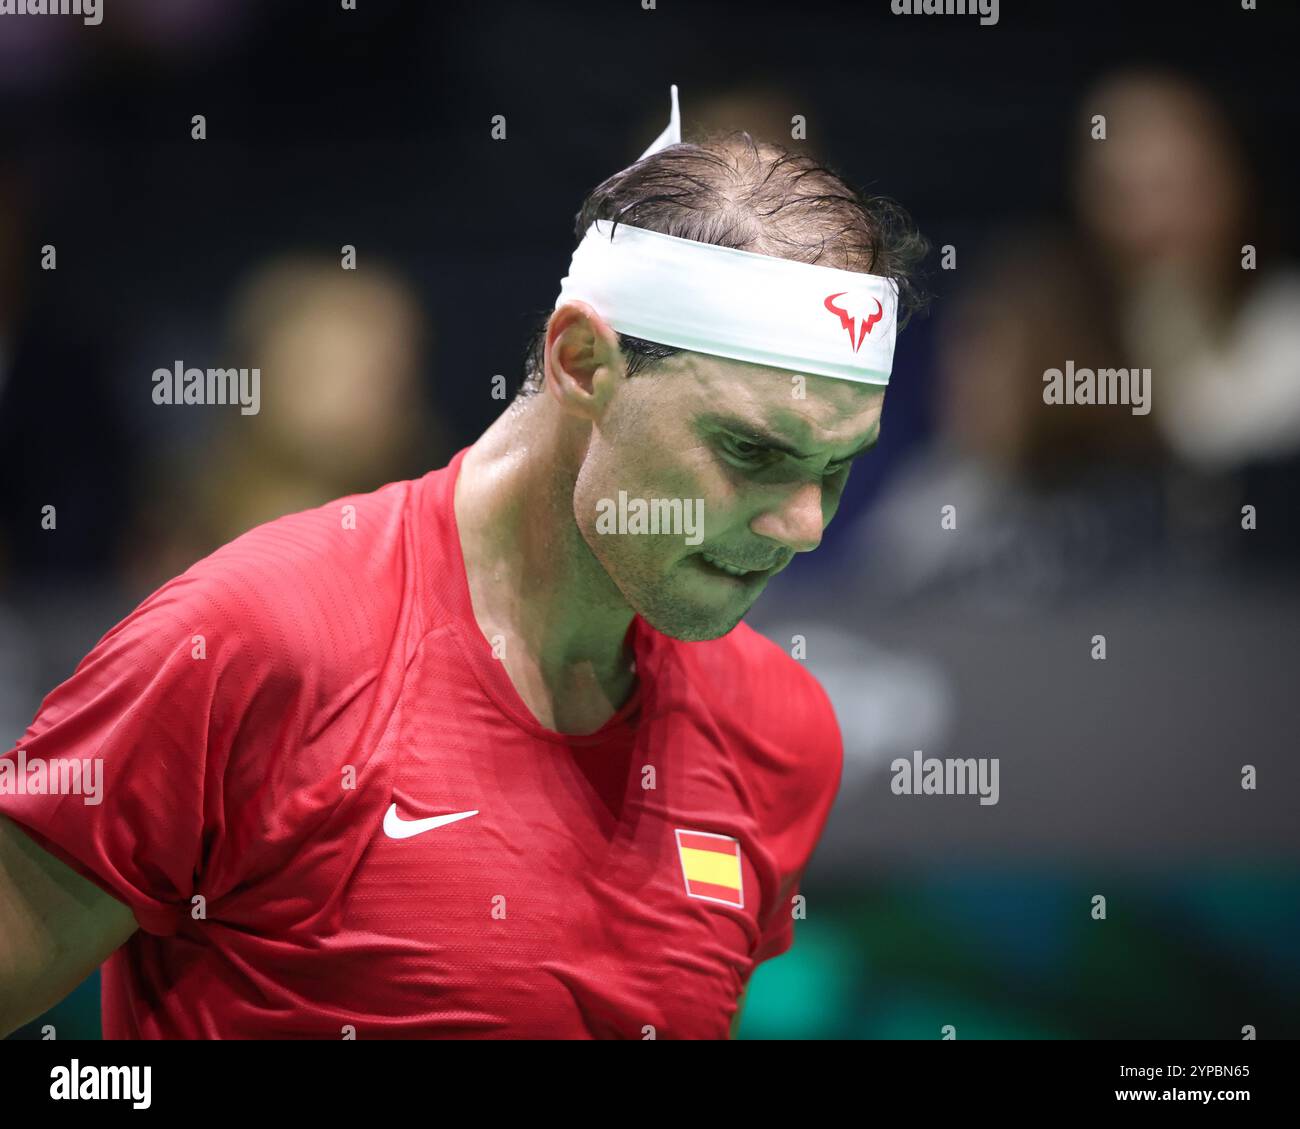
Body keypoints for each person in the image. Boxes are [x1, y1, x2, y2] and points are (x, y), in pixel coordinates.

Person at [0, 87, 926, 1039]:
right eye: (751, 451)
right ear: (581, 364)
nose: (803, 525)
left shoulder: (780, 733)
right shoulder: (250, 642)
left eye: (836, 469)